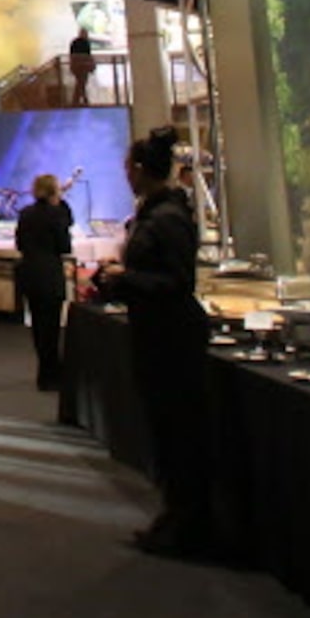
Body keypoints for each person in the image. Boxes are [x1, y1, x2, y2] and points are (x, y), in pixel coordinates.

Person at [108, 130, 214, 558]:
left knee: (178, 432)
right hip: (157, 333)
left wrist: (124, 280)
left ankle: (187, 523)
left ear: (138, 170)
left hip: (171, 338)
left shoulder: (166, 218)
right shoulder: (158, 214)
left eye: (128, 168)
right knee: (167, 430)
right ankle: (177, 517)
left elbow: (176, 282)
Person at [16, 171, 80, 391]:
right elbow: (65, 246)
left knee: (37, 325)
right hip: (50, 273)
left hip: (29, 272)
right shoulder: (56, 214)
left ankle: (44, 370)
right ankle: (51, 372)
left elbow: (20, 244)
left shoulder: (25, 214)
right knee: (51, 325)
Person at [68, 26, 97, 106]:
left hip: (76, 67)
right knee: (82, 83)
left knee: (80, 83)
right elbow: (88, 55)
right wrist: (91, 65)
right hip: (84, 67)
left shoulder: (74, 42)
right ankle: (80, 100)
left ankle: (79, 100)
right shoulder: (85, 43)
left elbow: (72, 55)